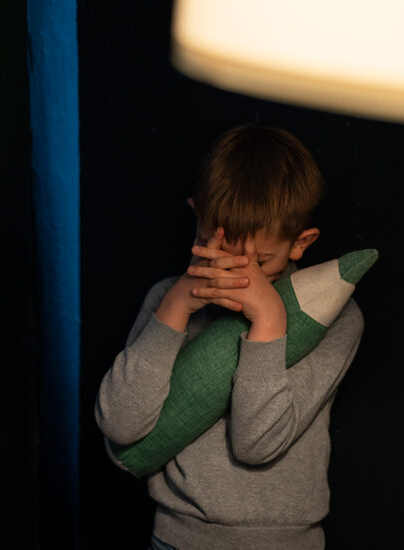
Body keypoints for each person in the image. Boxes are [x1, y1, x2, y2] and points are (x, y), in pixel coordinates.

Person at [95, 124, 364, 550]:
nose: (237, 273)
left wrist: (270, 322)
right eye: (212, 246)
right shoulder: (166, 299)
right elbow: (120, 425)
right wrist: (175, 308)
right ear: (195, 217)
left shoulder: (333, 316)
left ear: (301, 243)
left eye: (261, 261)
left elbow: (257, 445)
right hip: (177, 539)